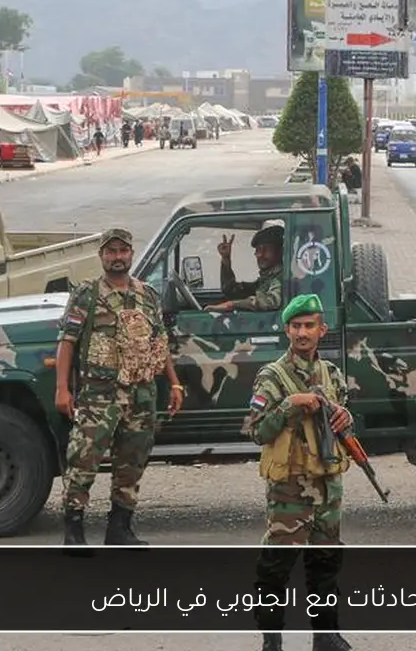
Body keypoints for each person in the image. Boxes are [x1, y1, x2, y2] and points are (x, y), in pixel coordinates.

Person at [55, 227, 184, 546]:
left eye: (122, 251)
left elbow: (159, 343)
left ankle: (120, 529)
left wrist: (175, 383)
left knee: (132, 462)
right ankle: (74, 532)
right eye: (111, 251)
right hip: (99, 395)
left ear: (131, 254)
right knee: (83, 461)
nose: (117, 257)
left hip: (141, 395)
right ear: (101, 255)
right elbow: (67, 341)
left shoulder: (147, 295)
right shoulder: (87, 294)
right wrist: (62, 389)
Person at [245, 293, 354, 651]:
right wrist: (290, 405)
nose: (302, 332)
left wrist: (346, 418)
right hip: (290, 488)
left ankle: (326, 635)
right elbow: (257, 430)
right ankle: (271, 640)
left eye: (309, 325)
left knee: (325, 562)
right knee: (276, 566)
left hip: (328, 485)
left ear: (323, 330)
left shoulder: (332, 373)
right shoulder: (272, 376)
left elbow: (342, 422)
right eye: (295, 326)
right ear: (287, 331)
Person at [205, 223, 284, 313]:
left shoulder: (282, 278)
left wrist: (231, 305)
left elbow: (270, 302)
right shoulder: (266, 280)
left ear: (280, 251)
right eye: (258, 250)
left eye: (266, 249)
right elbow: (231, 290)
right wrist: (226, 258)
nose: (260, 255)